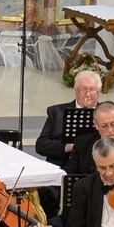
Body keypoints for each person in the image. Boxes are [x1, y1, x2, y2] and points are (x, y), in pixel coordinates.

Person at [34, 69, 102, 215]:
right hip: (62, 167)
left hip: (93, 168)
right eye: (84, 90)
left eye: (92, 90)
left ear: (99, 92)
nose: (88, 94)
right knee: (46, 192)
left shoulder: (106, 114)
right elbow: (41, 145)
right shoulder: (57, 112)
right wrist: (67, 147)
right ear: (76, 91)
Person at [65, 100, 114, 177]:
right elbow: (70, 174)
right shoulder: (82, 143)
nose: (110, 130)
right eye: (104, 126)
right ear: (96, 125)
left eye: (113, 124)